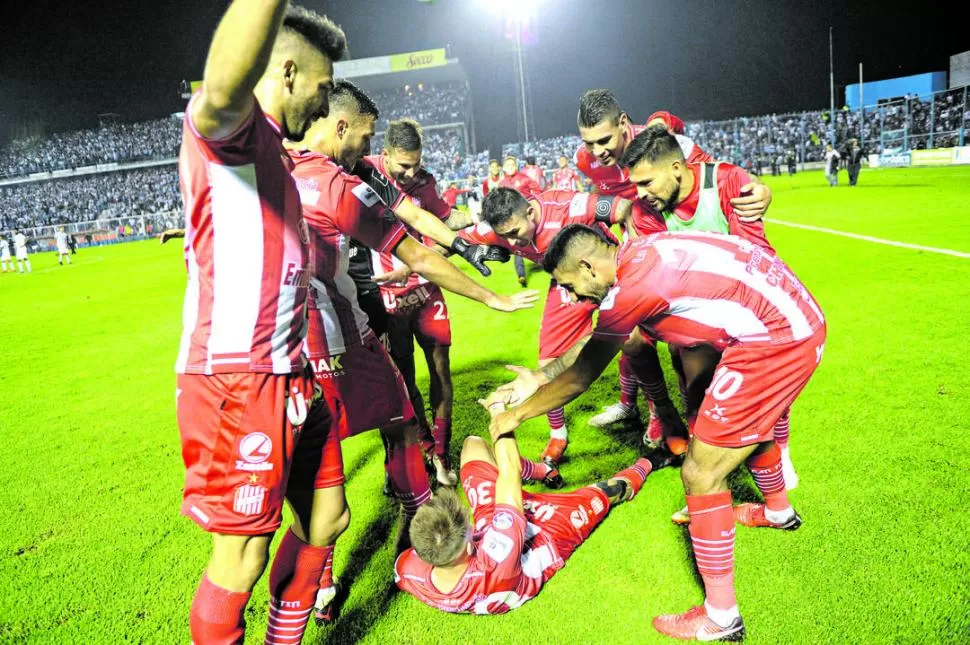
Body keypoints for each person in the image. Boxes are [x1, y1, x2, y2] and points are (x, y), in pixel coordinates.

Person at [489, 225, 826, 641]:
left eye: (569, 286)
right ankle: (778, 512)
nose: (571, 298)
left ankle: (721, 618)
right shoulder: (642, 254)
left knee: (701, 473)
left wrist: (516, 416)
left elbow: (583, 374)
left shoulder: (633, 288)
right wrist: (540, 375)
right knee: (740, 424)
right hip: (794, 322)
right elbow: (613, 338)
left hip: (775, 343)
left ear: (587, 267)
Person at [286, 82, 537, 626]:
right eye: (367, 138)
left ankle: (322, 586)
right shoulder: (335, 184)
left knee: (321, 463)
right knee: (399, 419)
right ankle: (420, 519)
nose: (367, 151)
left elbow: (420, 218)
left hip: (283, 350)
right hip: (340, 332)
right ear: (343, 128)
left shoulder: (273, 161)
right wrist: (490, 296)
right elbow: (415, 248)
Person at [174, 3, 345, 643]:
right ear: (290, 72)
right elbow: (220, 88)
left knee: (326, 517)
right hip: (239, 380)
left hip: (293, 372)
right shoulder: (236, 131)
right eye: (323, 90)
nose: (326, 108)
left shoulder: (275, 150)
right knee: (241, 555)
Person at [574, 91, 773, 441]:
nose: (597, 151)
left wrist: (757, 188)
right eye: (588, 143)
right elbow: (605, 199)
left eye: (603, 140)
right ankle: (658, 410)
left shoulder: (659, 138)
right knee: (633, 331)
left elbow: (710, 176)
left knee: (680, 337)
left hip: (679, 243)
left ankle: (710, 421)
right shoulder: (586, 161)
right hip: (637, 242)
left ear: (624, 125)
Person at [618, 127, 799, 490]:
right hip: (696, 314)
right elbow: (658, 273)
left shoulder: (727, 181)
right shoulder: (644, 213)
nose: (639, 195)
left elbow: (756, 254)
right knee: (698, 389)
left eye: (646, 182)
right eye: (635, 185)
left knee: (767, 389)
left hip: (750, 304)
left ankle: (780, 451)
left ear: (676, 167)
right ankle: (709, 468)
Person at [395, 396, 670, 614]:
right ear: (469, 544)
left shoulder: (409, 571)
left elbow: (408, 564)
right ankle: (652, 461)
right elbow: (510, 470)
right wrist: (498, 412)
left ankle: (543, 471)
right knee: (606, 492)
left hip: (494, 524)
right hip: (547, 536)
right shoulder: (497, 556)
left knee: (473, 446)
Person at [455, 186, 646, 467]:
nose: (511, 243)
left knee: (639, 341)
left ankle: (655, 414)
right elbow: (447, 241)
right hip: (567, 282)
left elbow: (625, 208)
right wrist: (407, 260)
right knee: (548, 359)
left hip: (606, 272)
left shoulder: (567, 206)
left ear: (530, 213)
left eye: (514, 233)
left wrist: (634, 251)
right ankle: (558, 434)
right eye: (504, 236)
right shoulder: (496, 229)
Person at [364, 118, 479, 487]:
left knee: (441, 369)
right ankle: (415, 450)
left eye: (416, 164)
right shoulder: (362, 174)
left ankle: (441, 455)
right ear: (384, 155)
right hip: (387, 298)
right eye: (403, 166)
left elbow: (445, 219)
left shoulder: (424, 182)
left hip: (427, 289)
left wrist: (480, 217)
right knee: (401, 381)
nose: (411, 173)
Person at [499, 155, 542, 287]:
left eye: (513, 165)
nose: (511, 167)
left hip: (528, 217)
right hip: (512, 220)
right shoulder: (502, 184)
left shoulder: (525, 179)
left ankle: (545, 261)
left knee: (537, 240)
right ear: (504, 168)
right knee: (517, 246)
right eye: (508, 165)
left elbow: (538, 194)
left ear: (516, 166)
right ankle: (521, 275)